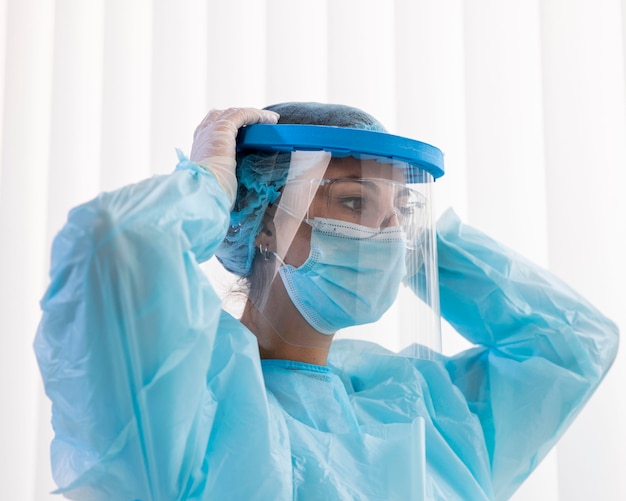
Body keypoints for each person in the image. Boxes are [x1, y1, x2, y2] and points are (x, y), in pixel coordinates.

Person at [35, 103, 618, 500]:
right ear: (265, 219)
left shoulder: (421, 414)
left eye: (400, 214)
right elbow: (117, 245)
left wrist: (420, 237)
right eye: (354, 202)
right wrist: (208, 185)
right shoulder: (186, 408)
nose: (388, 233)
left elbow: (571, 343)